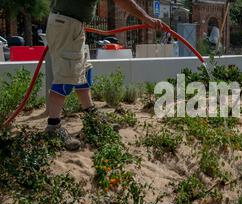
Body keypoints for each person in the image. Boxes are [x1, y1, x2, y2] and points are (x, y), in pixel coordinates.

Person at [46, 0, 167, 151]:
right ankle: (53, 127)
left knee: (83, 73)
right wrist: (146, 18)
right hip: (67, 25)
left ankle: (92, 116)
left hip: (72, 25)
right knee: (66, 78)